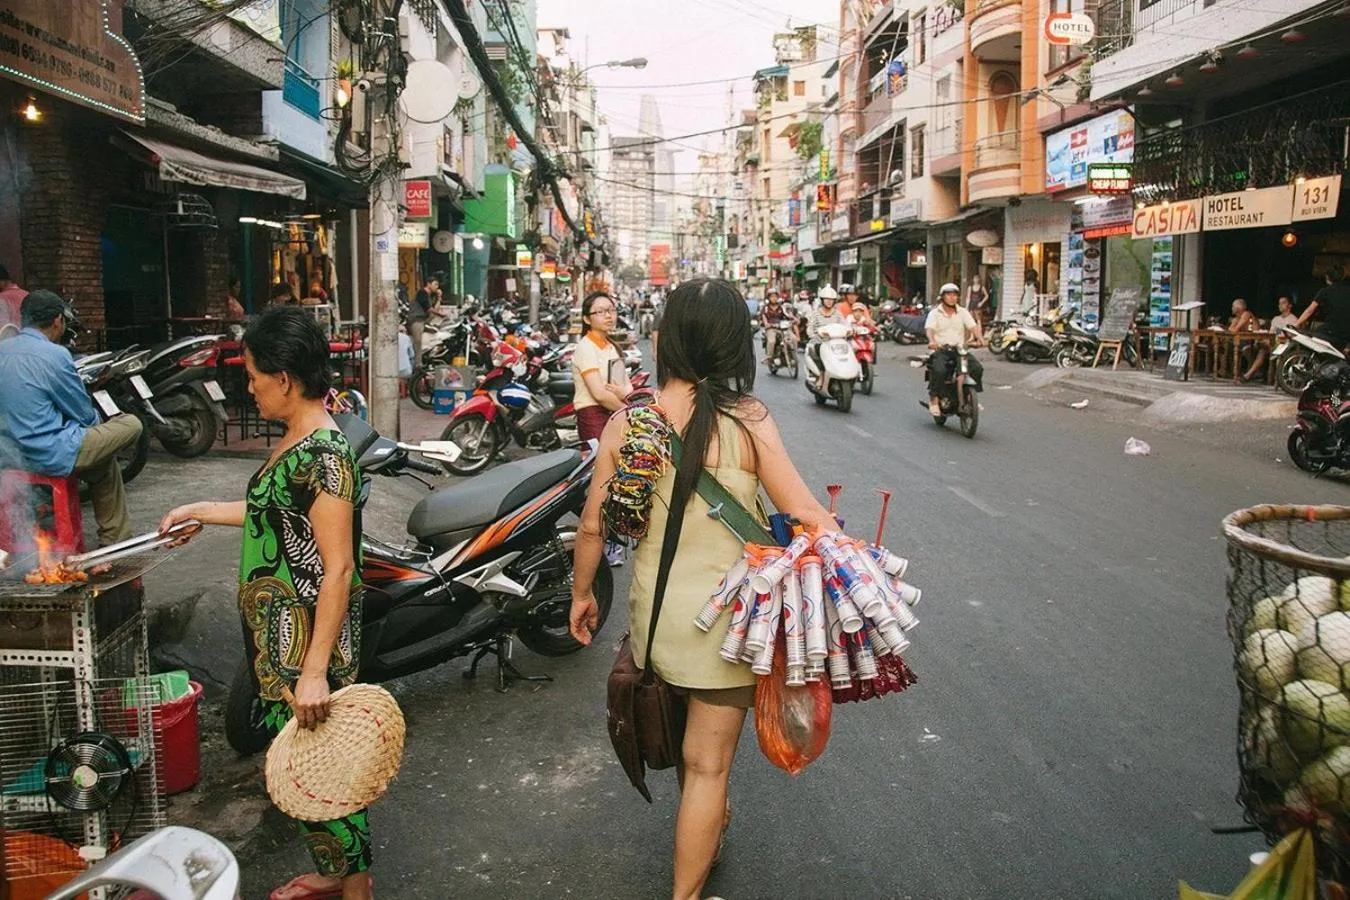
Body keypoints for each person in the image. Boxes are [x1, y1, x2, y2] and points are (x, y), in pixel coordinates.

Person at [567, 278, 837, 900]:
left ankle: (707, 829)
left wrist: (582, 596)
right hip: (728, 630)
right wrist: (859, 562)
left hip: (655, 623)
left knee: (692, 757)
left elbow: (592, 526)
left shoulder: (627, 423)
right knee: (707, 766)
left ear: (668, 339)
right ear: (734, 343)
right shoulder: (748, 420)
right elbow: (802, 512)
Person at [159, 307, 372, 900]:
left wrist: (314, 672)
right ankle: (337, 875)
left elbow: (338, 569)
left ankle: (353, 887)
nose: (248, 387)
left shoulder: (325, 455)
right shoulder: (297, 439)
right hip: (282, 646)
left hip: (307, 647)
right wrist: (201, 510)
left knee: (327, 771)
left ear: (284, 377)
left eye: (252, 376)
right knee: (308, 766)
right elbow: (271, 512)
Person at [0, 292, 144, 545]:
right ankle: (114, 541)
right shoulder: (54, 355)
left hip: (8, 455)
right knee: (131, 424)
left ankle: (115, 539)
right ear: (58, 320)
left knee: (103, 463)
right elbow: (83, 414)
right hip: (48, 454)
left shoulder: (3, 349)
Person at [573, 291, 632, 446]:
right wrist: (629, 411)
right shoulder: (586, 347)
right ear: (587, 319)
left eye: (611, 310)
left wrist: (624, 394)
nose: (608, 315)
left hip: (615, 414)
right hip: (594, 417)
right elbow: (599, 394)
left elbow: (625, 384)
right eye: (600, 312)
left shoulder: (611, 346)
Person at [925, 282, 983, 417]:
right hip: (941, 350)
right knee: (939, 370)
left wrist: (980, 338)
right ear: (942, 297)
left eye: (954, 295)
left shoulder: (963, 312)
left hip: (959, 350)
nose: (952, 298)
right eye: (949, 295)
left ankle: (970, 397)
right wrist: (932, 341)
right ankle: (934, 400)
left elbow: (973, 327)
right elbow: (930, 329)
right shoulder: (935, 313)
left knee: (977, 368)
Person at [1295, 265, 1350, 352]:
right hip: (1346, 334)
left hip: (1331, 331)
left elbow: (1309, 310)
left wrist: (1296, 323)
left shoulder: (1325, 291)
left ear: (1327, 277)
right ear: (1342, 277)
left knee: (1310, 338)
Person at [806, 285, 848, 393]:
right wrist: (814, 335)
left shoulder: (837, 313)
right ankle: (821, 376)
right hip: (820, 342)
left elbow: (845, 324)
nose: (829, 302)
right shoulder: (815, 314)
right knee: (821, 353)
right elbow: (810, 328)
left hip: (836, 342)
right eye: (826, 299)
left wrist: (849, 330)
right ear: (822, 300)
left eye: (831, 299)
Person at [406, 274, 442, 366]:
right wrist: (442, 315)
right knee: (418, 342)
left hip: (424, 321)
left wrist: (439, 298)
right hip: (416, 320)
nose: (437, 287)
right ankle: (418, 364)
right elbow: (430, 309)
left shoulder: (430, 296)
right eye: (435, 284)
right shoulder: (422, 293)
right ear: (428, 284)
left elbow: (435, 310)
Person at [760, 292, 794, 364]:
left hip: (782, 327)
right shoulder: (766, 308)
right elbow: (763, 316)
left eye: (775, 297)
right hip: (771, 328)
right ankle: (769, 357)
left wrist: (793, 319)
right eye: (772, 297)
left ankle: (793, 356)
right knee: (772, 341)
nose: (774, 298)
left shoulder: (781, 307)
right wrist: (766, 324)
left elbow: (788, 315)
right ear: (769, 298)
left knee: (793, 338)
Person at [0, 264, 27, 329]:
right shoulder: (26, 294)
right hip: (28, 334)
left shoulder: (1, 298)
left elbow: (3, 327)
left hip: (8, 334)